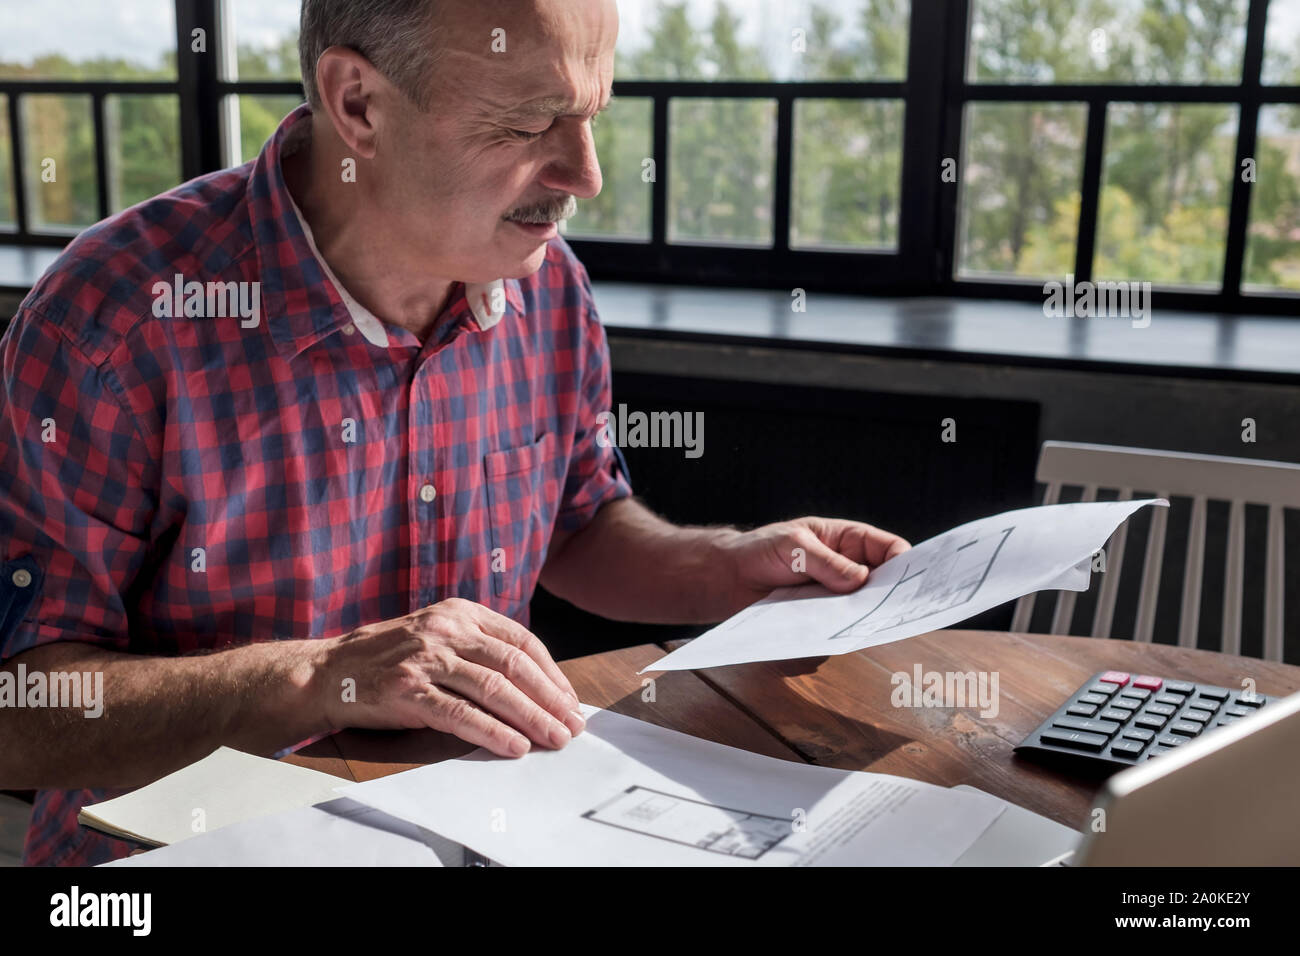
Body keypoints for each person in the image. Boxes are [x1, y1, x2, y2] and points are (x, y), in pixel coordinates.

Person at [0, 0, 909, 865]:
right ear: (358, 103)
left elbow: (578, 521)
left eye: (591, 115)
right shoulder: (111, 323)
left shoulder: (548, 287)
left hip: (483, 836)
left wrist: (728, 566)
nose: (585, 173)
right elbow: (17, 710)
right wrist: (321, 676)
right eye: (525, 124)